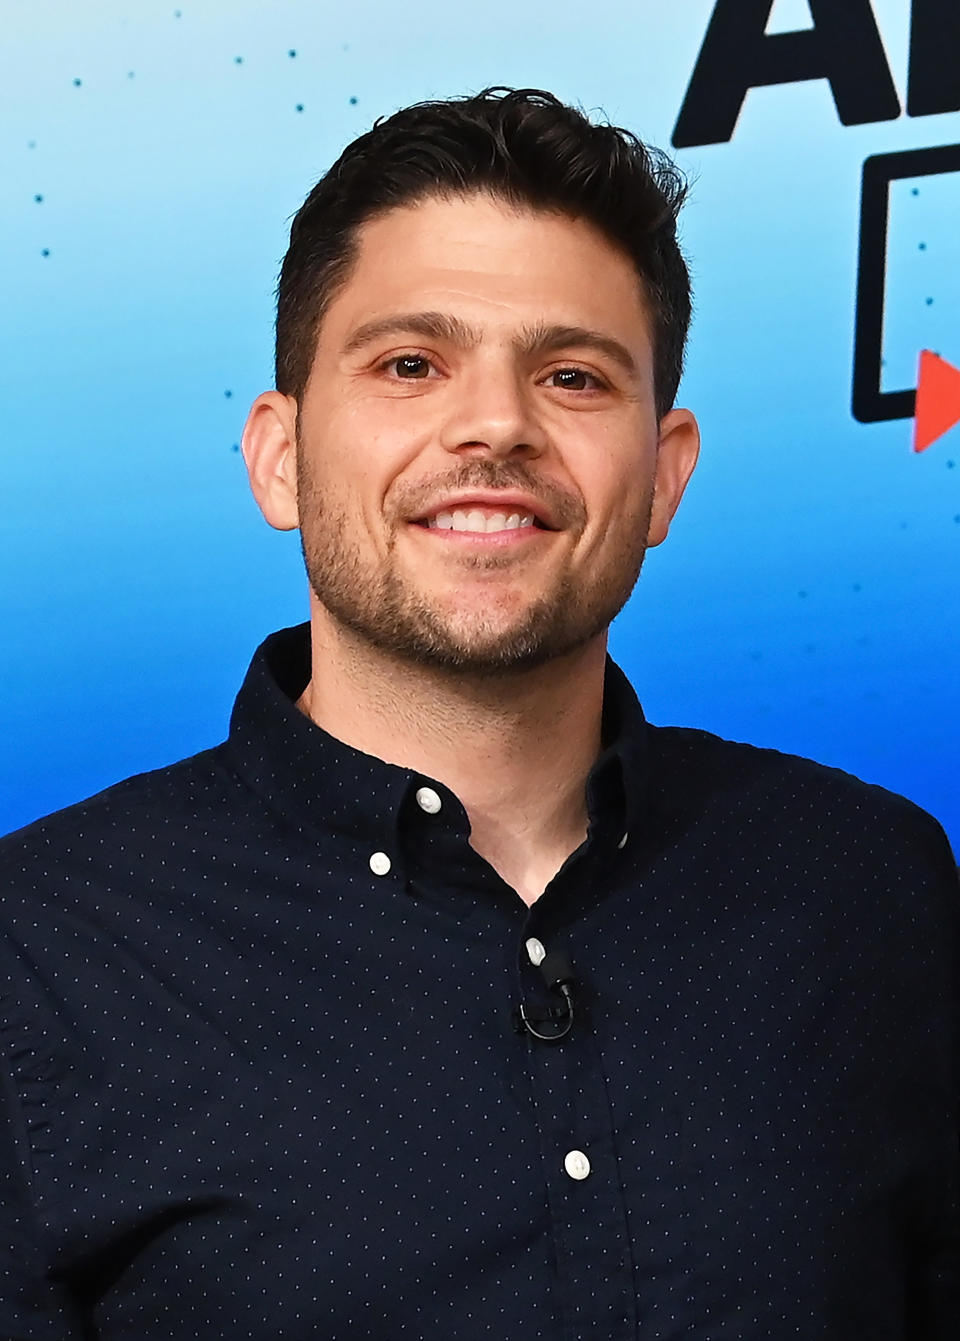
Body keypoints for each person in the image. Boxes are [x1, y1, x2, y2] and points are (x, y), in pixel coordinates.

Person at [0, 87, 956, 1341]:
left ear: (664, 476)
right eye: (411, 365)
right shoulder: (42, 949)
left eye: (572, 375)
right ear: (279, 458)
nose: (497, 425)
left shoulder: (873, 883)